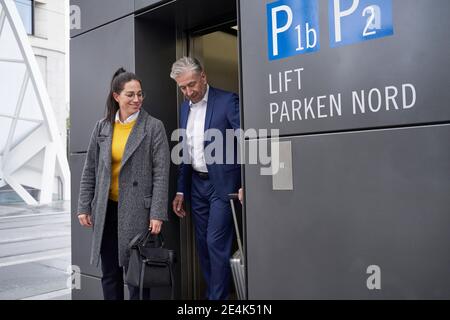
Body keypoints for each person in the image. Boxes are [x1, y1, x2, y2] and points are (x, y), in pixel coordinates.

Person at [77, 68, 170, 300]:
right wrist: (84, 206)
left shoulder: (153, 126)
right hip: (107, 211)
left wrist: (157, 213)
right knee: (110, 274)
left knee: (138, 277)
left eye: (140, 94)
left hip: (139, 211)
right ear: (116, 96)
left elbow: (161, 173)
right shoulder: (102, 127)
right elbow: (90, 168)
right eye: (130, 94)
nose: (137, 99)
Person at [170, 57, 242, 300]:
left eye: (192, 84)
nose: (189, 92)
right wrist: (181, 190)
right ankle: (215, 294)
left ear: (203, 77)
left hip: (223, 186)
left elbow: (247, 141)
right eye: (183, 87)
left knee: (215, 243)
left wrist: (246, 183)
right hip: (196, 186)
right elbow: (185, 152)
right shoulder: (183, 108)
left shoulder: (227, 101)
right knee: (202, 245)